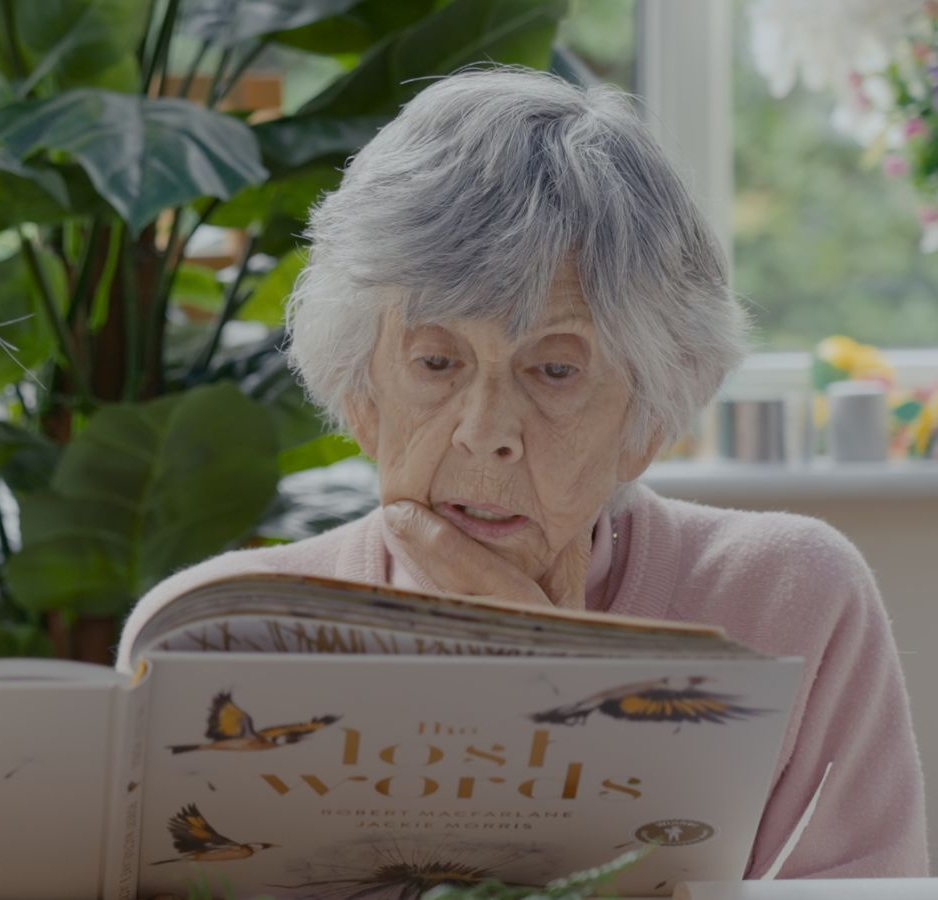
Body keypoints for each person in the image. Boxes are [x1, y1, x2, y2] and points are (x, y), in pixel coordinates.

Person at [118, 68, 929, 877]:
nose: (485, 433)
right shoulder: (217, 639)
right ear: (364, 397)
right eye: (436, 361)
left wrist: (571, 700)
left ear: (644, 421)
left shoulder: (786, 599)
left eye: (555, 372)